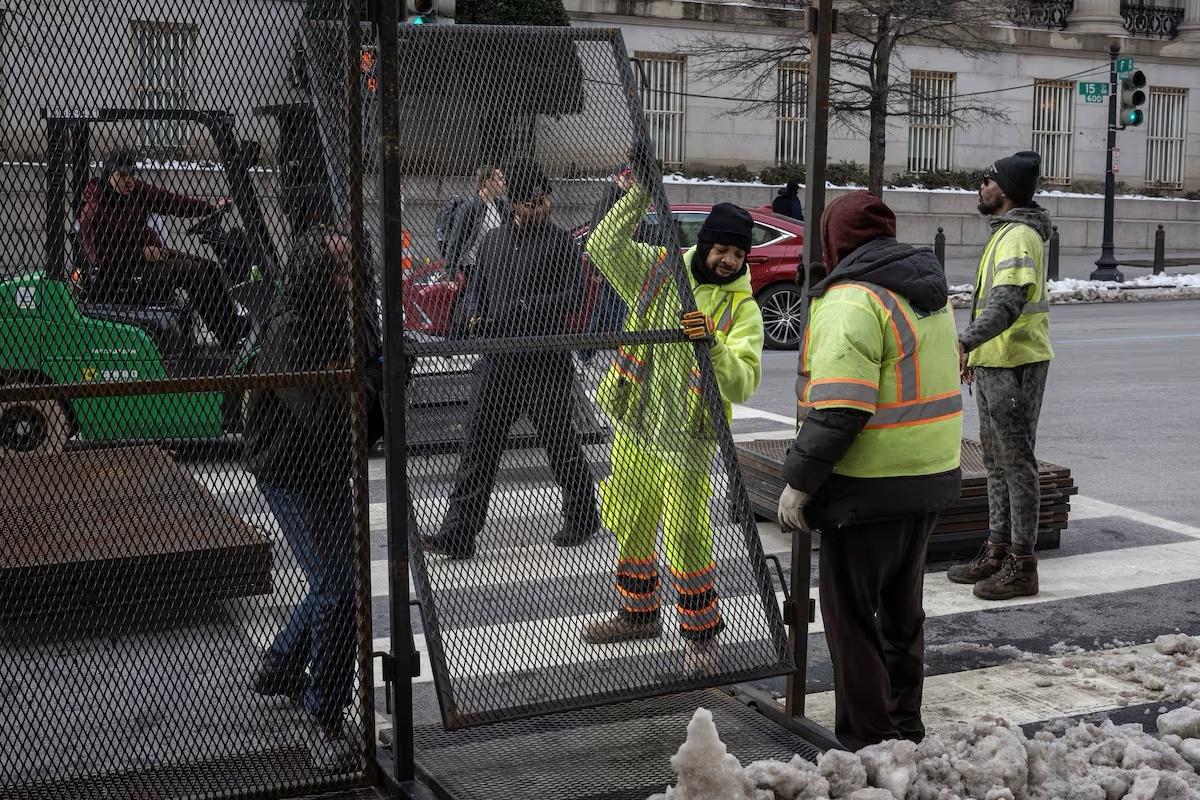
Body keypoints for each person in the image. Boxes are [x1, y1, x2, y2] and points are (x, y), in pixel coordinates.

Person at [776, 190, 963, 751]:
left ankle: (869, 741)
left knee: (851, 618)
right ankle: (905, 724)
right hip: (930, 474)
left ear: (834, 240)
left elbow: (841, 408)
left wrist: (799, 483)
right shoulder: (927, 291)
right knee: (903, 613)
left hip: (869, 484)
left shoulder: (852, 301)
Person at [581, 172, 764, 676]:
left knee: (685, 532)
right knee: (629, 517)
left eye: (738, 254)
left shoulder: (741, 309)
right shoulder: (659, 270)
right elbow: (602, 245)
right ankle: (638, 614)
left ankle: (701, 635)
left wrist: (715, 344)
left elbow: (744, 382)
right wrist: (638, 188)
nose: (728, 260)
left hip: (688, 437)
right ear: (704, 244)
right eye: (722, 249)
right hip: (636, 421)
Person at [244, 226, 384, 769]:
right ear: (311, 275)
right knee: (338, 589)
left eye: (352, 267)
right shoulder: (290, 329)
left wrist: (364, 380)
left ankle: (281, 662)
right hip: (291, 468)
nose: (346, 278)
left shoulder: (354, 314)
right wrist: (366, 380)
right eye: (335, 269)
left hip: (327, 465)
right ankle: (324, 715)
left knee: (333, 582)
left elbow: (371, 388)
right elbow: (330, 416)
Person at [420, 159, 599, 559]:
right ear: (514, 203)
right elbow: (475, 290)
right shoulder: (491, 242)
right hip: (497, 359)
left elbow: (573, 296)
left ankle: (583, 515)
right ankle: (459, 533)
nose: (537, 209)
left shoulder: (561, 243)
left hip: (544, 360)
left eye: (542, 201)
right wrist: (469, 313)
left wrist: (524, 306)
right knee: (478, 445)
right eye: (528, 203)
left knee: (559, 441)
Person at [947, 151, 1053, 601]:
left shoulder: (1018, 237)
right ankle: (996, 550)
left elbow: (1007, 303)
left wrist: (964, 342)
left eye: (986, 181)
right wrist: (976, 352)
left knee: (1017, 463)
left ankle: (1022, 565)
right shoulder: (1005, 233)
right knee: (996, 464)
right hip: (996, 361)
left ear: (1004, 190)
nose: (981, 187)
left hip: (1016, 363)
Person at [79, 147, 245, 349]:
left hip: (146, 259)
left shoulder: (135, 192)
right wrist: (139, 253)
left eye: (131, 174)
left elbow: (169, 201)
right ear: (109, 174)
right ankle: (230, 337)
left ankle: (233, 328)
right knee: (193, 273)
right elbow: (100, 255)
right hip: (121, 272)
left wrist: (209, 207)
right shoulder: (95, 210)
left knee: (208, 266)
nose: (128, 180)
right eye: (121, 175)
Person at [582, 165, 635, 360]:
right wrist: (597, 270)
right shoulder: (608, 203)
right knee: (618, 313)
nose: (631, 181)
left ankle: (585, 352)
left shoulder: (627, 201)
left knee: (604, 312)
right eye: (627, 177)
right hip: (610, 268)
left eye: (633, 177)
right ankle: (626, 354)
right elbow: (594, 238)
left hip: (620, 266)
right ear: (617, 178)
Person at [443, 164, 510, 275]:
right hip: (473, 268)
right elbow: (456, 241)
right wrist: (451, 273)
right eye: (500, 179)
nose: (504, 182)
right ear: (488, 182)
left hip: (496, 266)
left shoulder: (501, 206)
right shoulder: (469, 207)